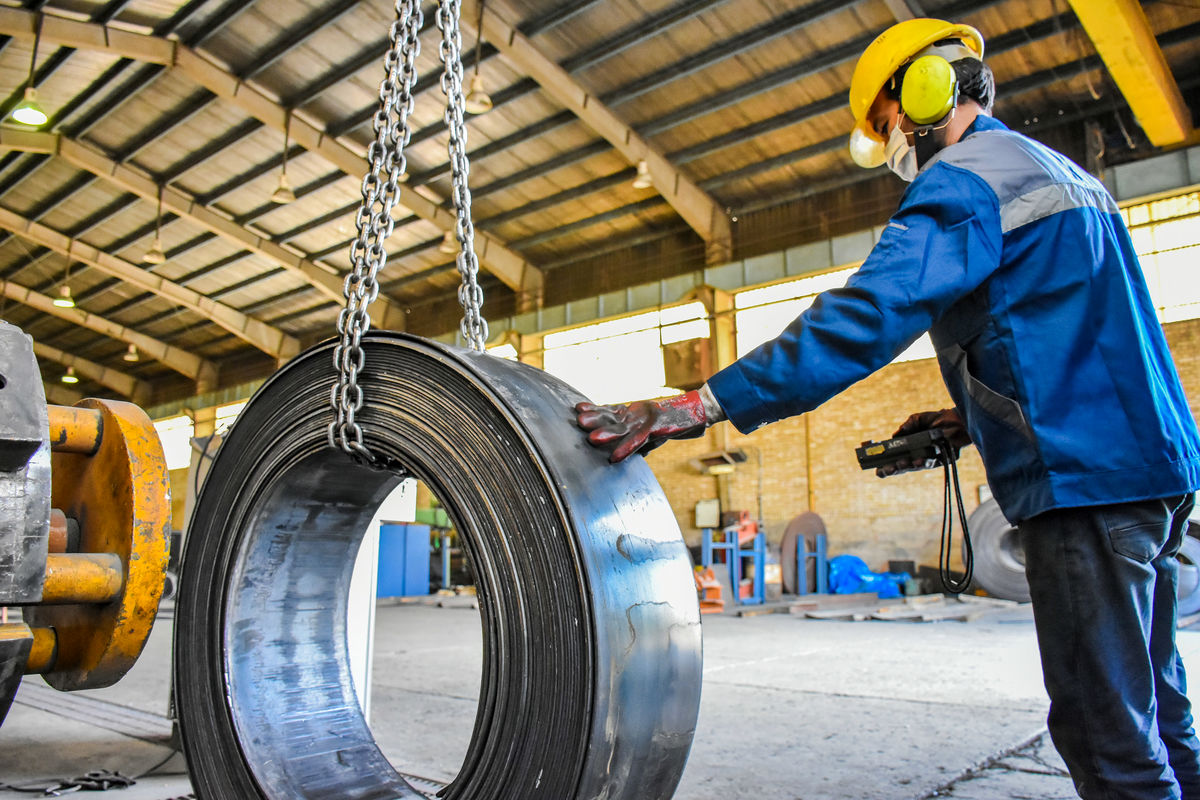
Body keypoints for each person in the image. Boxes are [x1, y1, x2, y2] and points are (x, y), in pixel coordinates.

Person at [575, 18, 1200, 800]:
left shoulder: (966, 179)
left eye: (888, 120)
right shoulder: (1063, 174)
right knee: (1160, 710)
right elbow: (1074, 335)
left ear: (928, 88)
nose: (894, 140)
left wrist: (699, 404)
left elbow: (866, 316)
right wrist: (967, 418)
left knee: (1108, 738)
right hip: (1157, 476)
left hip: (1084, 489)